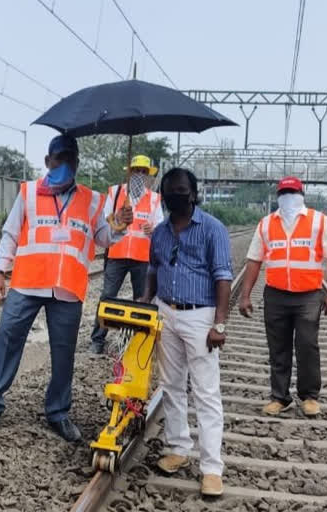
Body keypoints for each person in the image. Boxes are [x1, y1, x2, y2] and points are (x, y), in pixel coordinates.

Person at [0, 134, 133, 442]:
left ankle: (58, 412)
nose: (65, 164)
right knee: (7, 339)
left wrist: (119, 225)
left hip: (67, 289)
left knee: (64, 354)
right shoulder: (29, 193)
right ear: (48, 161)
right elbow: (9, 233)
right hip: (27, 283)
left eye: (70, 158)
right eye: (59, 158)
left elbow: (103, 238)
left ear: (76, 162)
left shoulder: (90, 198)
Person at [139, 167, 232, 497]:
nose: (174, 195)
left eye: (181, 190)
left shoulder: (212, 229)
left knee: (206, 392)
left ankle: (211, 468)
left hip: (200, 316)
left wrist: (219, 323)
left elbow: (223, 277)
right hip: (167, 312)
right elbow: (154, 267)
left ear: (193, 194)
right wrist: (146, 298)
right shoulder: (161, 232)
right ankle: (178, 448)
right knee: (171, 387)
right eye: (169, 191)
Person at [239, 176, 327, 418]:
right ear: (278, 196)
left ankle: (309, 397)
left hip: (308, 295)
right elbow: (254, 261)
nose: (288, 197)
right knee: (278, 347)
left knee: (307, 345)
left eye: (292, 192)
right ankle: (279, 397)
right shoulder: (266, 224)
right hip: (275, 294)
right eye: (284, 193)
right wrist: (245, 296)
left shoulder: (318, 221)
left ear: (301, 194)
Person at [89, 154, 164, 354]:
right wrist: (117, 219)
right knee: (107, 296)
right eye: (136, 170)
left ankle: (138, 342)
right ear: (129, 173)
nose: (139, 175)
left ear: (149, 176)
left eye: (144, 172)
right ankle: (97, 340)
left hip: (142, 257)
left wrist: (153, 230)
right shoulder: (115, 193)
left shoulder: (155, 199)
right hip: (117, 253)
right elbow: (105, 219)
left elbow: (160, 226)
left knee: (141, 300)